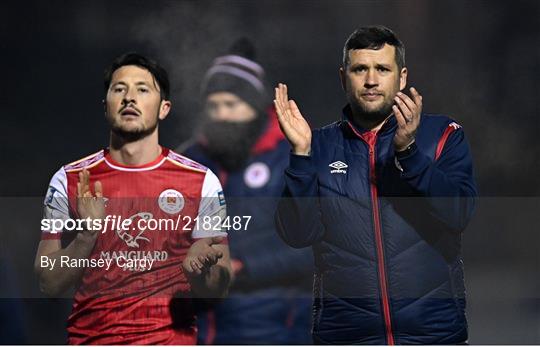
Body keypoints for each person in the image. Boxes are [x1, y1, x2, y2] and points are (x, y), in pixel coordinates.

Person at [274, 26, 477, 344]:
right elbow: (297, 234)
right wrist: (300, 155)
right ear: (344, 78)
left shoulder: (442, 136)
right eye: (360, 69)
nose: (371, 80)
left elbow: (458, 214)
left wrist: (409, 153)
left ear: (402, 76)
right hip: (346, 336)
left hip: (433, 335)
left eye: (382, 68)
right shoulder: (319, 145)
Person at [34, 53, 232, 345]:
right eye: (119, 89)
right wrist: (87, 236)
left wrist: (199, 273)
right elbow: (48, 283)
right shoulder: (68, 180)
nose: (129, 98)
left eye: (142, 89)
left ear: (164, 108)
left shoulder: (201, 181)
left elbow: (220, 288)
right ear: (106, 107)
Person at [179, 38, 313, 344]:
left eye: (231, 105)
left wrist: (242, 265)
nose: (222, 115)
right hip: (198, 327)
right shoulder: (190, 160)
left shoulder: (290, 159)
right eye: (213, 106)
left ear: (255, 107)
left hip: (273, 325)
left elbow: (313, 246)